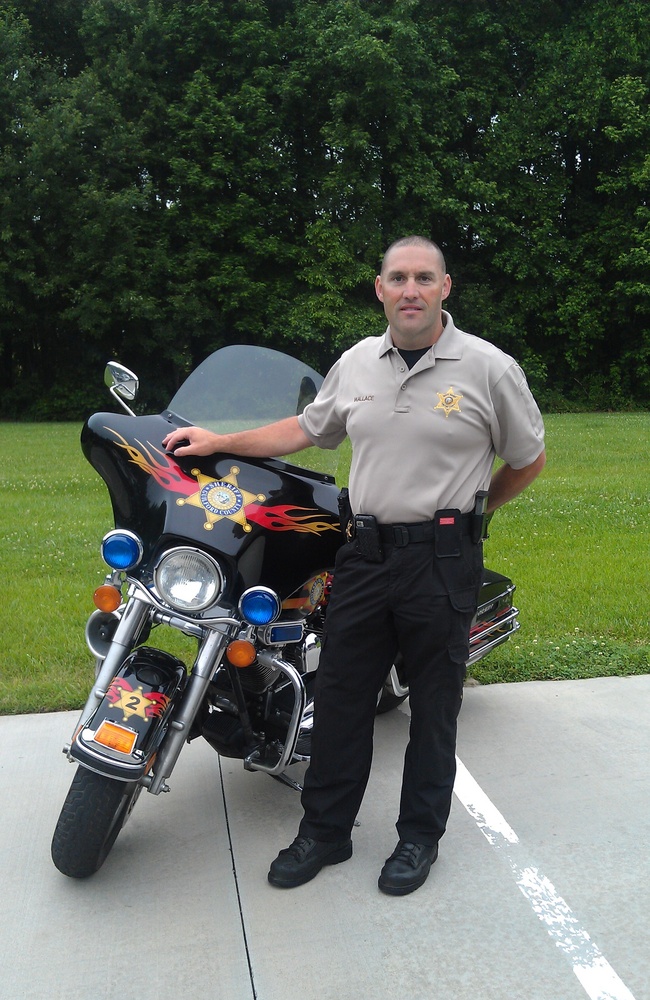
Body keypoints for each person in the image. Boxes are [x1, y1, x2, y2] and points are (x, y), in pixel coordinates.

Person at [163, 236, 546, 896]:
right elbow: (306, 429)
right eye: (398, 278)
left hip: (442, 560)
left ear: (445, 288)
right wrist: (220, 442)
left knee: (433, 708)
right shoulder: (358, 363)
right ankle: (325, 832)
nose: (410, 290)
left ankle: (418, 838)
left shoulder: (489, 368)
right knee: (341, 701)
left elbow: (528, 458)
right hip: (364, 557)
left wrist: (476, 513)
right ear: (380, 289)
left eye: (423, 278)